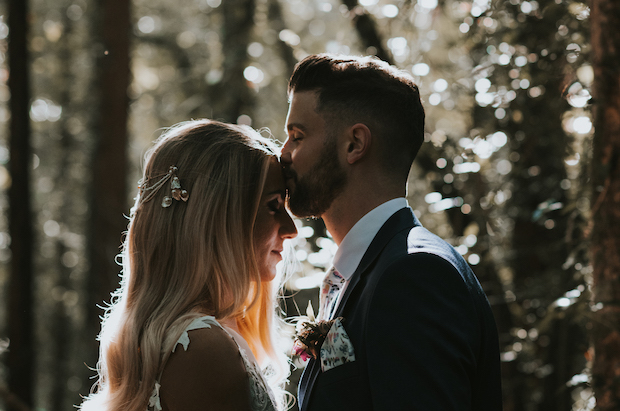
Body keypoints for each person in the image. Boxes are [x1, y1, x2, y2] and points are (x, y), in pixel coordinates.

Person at [281, 54, 503, 411]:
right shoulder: (372, 267)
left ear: (354, 144)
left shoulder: (415, 275)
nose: (285, 153)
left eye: (297, 136)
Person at [80, 119, 297, 411]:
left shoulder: (183, 339)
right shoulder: (203, 349)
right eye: (273, 206)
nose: (290, 228)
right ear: (218, 219)